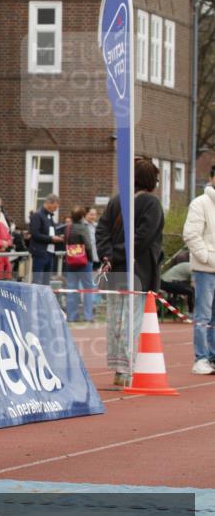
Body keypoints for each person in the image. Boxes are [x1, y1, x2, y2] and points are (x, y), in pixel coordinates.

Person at [96, 158, 164, 387]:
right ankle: (126, 368)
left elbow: (102, 228)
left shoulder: (116, 201)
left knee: (116, 319)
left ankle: (118, 367)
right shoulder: (152, 204)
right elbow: (143, 238)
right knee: (130, 320)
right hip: (138, 271)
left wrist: (107, 255)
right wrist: (116, 254)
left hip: (116, 269)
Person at [182, 163, 215, 374]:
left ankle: (212, 356)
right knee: (203, 315)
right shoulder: (200, 203)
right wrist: (207, 258)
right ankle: (201, 358)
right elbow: (191, 234)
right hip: (205, 269)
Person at [64, 206, 94, 323]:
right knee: (88, 289)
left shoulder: (68, 228)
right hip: (83, 262)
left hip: (71, 262)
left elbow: (64, 243)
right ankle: (88, 316)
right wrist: (90, 259)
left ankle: (72, 316)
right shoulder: (83, 228)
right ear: (82, 216)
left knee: (71, 288)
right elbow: (88, 246)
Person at [29, 194, 63, 286]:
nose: (56, 209)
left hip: (50, 252)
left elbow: (50, 231)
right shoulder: (37, 215)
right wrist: (51, 239)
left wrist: (58, 236)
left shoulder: (50, 216)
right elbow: (35, 234)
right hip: (40, 252)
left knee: (46, 281)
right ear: (48, 203)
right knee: (37, 280)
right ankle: (35, 300)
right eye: (55, 206)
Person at [160, 251, 194, 315]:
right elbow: (194, 283)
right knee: (192, 291)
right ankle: (191, 312)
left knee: (188, 289)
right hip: (168, 282)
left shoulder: (186, 265)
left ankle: (171, 310)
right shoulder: (192, 267)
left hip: (164, 282)